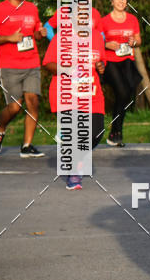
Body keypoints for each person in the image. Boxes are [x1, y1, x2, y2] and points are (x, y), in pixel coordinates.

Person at [0, 0, 45, 157]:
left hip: (31, 62)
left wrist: (40, 34)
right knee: (15, 107)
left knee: (33, 102)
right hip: (8, 64)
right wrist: (8, 38)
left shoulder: (32, 8)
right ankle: (1, 128)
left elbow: (35, 33)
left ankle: (26, 146)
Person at [43, 28, 106, 190]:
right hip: (65, 94)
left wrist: (100, 66)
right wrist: (67, 70)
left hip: (92, 94)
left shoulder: (97, 37)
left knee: (96, 132)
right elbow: (48, 64)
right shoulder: (61, 37)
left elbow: (101, 61)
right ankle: (74, 169)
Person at [99, 0, 142, 146]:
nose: (121, 1)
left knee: (125, 95)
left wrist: (134, 42)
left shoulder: (132, 19)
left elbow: (138, 39)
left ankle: (115, 133)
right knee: (122, 92)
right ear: (111, 1)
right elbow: (97, 41)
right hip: (110, 62)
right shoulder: (104, 21)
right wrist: (107, 44)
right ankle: (116, 131)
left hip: (127, 61)